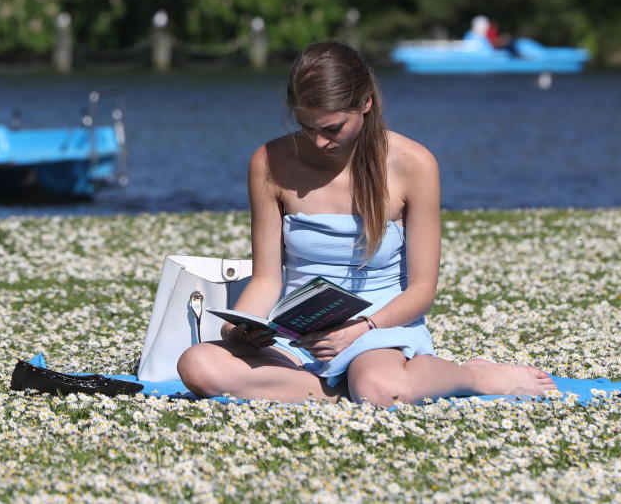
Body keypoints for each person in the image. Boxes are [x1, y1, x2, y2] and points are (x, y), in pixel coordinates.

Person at [177, 41, 555, 404]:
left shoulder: (414, 164)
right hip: (296, 333)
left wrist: (360, 330)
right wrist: (242, 328)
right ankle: (336, 391)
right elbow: (266, 279)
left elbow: (422, 289)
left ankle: (475, 376)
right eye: (307, 127)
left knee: (377, 386)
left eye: (333, 128)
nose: (320, 141)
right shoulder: (269, 161)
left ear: (366, 104)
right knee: (198, 365)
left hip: (377, 328)